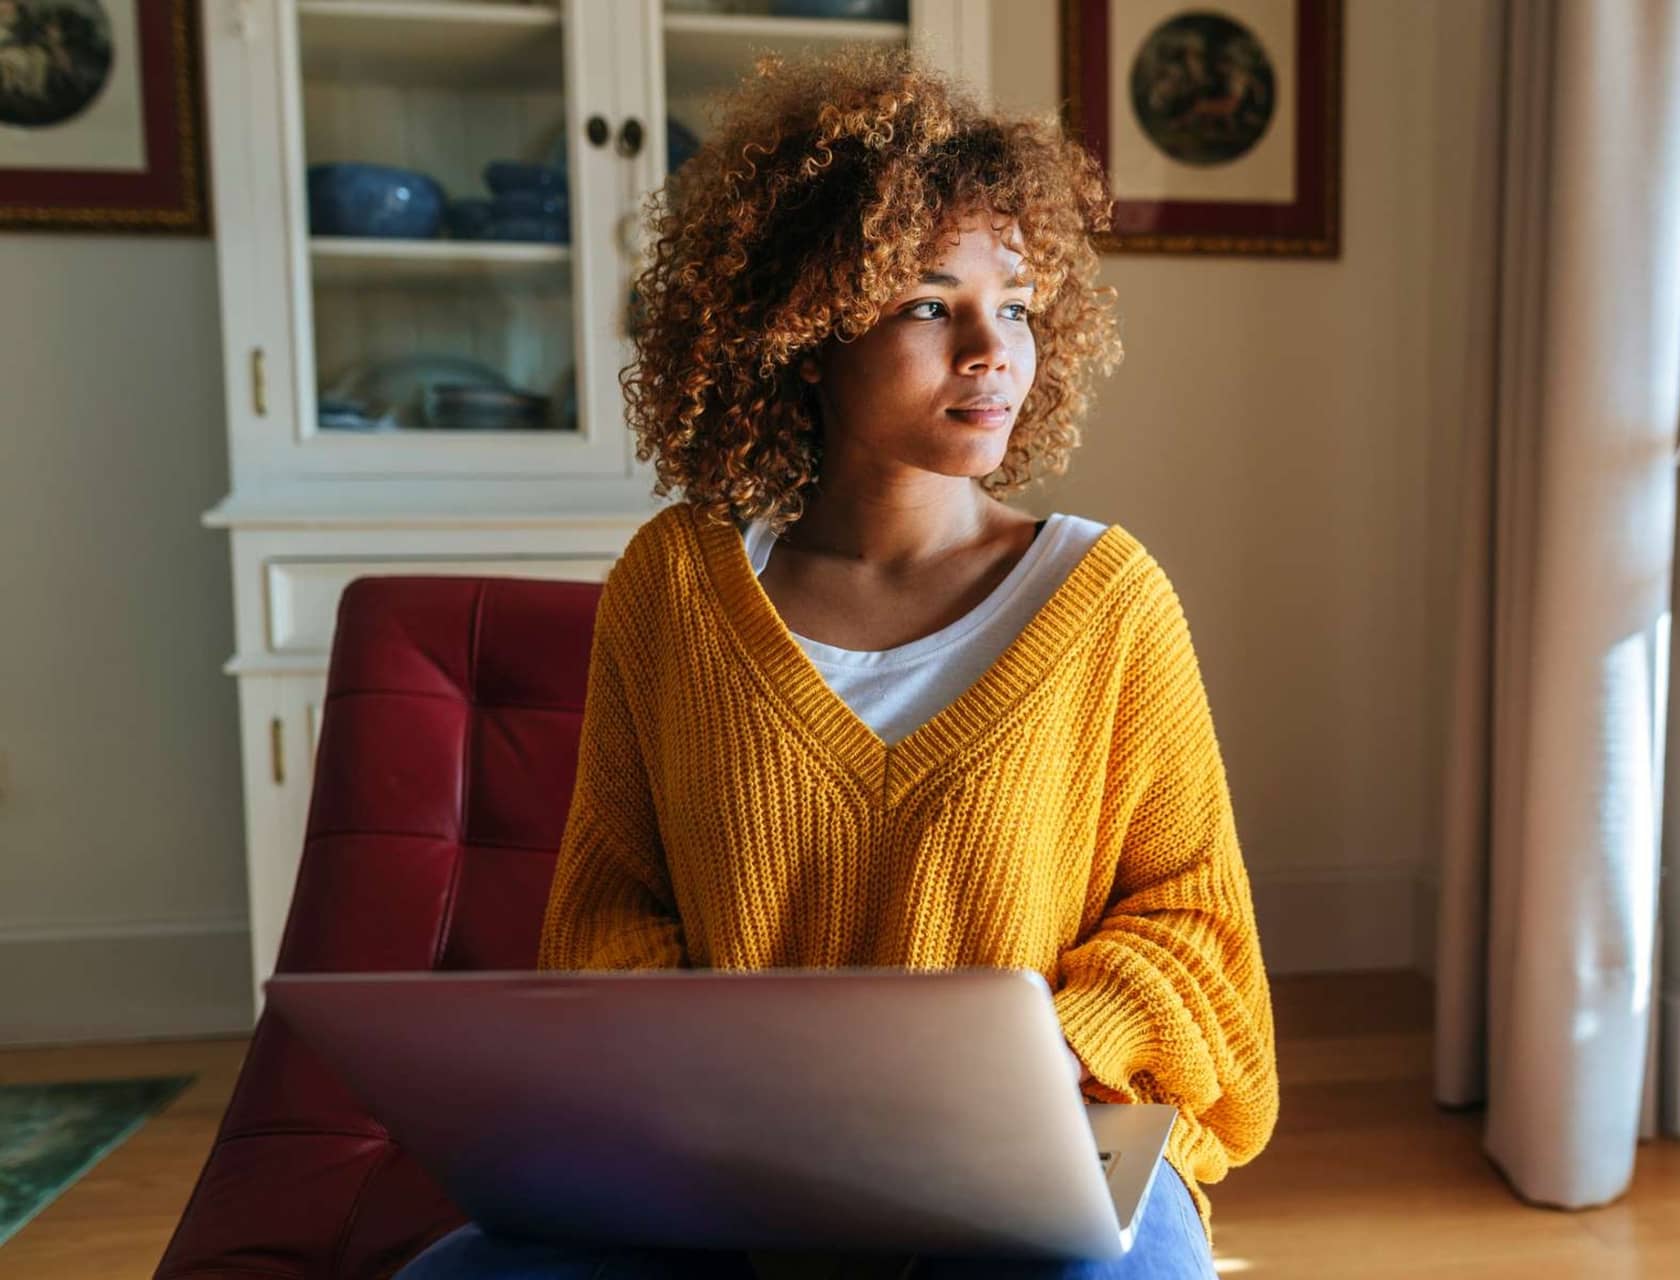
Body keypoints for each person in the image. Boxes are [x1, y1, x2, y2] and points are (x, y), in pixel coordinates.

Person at [399, 44, 1276, 1280]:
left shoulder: (1107, 600)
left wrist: (1054, 1049)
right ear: (805, 332)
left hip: (1045, 1143)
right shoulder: (674, 588)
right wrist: (718, 1091)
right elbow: (607, 914)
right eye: (928, 303)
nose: (990, 347)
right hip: (728, 1162)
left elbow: (1192, 924)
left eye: (1015, 305)